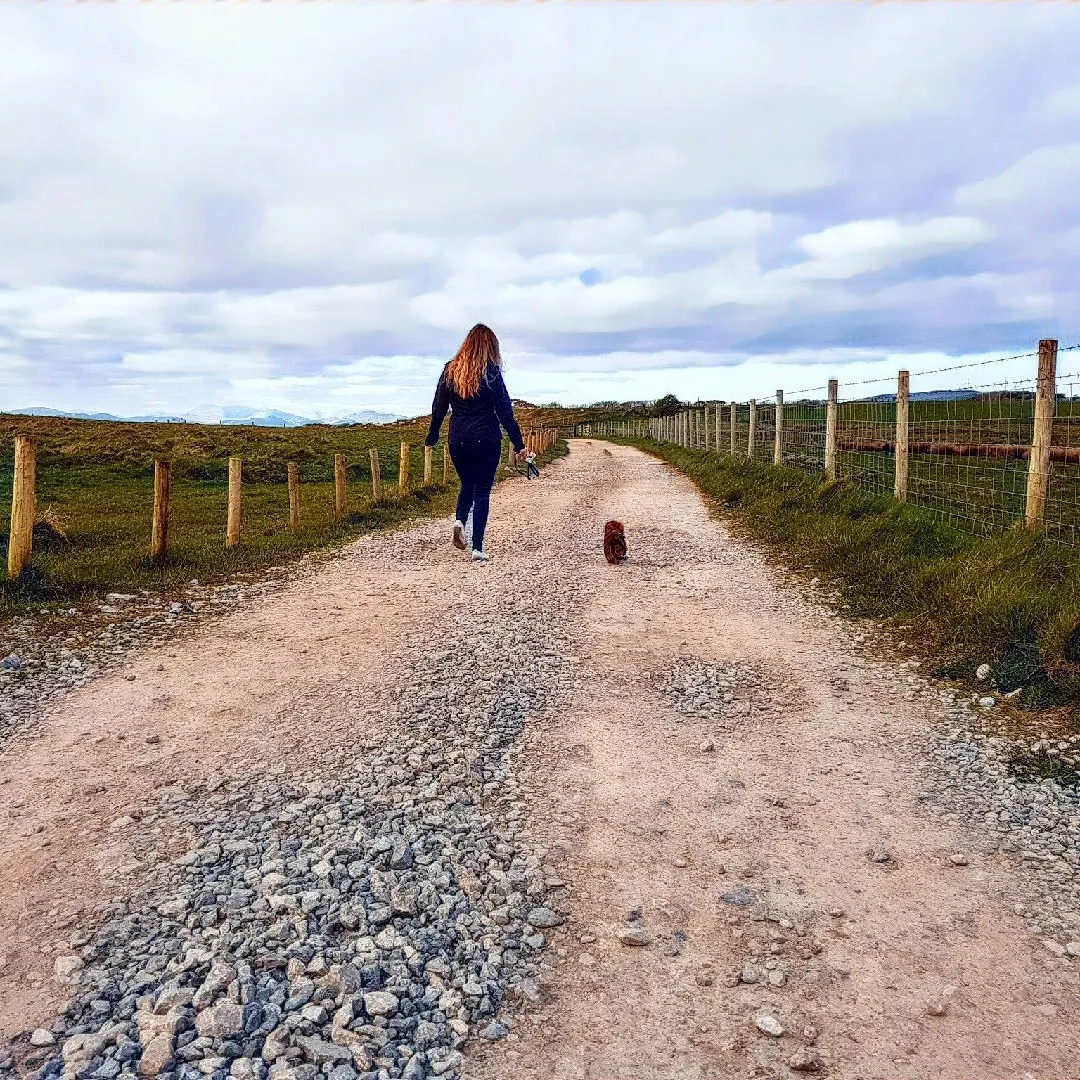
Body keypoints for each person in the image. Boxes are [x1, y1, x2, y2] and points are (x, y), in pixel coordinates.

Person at [425, 324, 528, 561]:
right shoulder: (491, 373)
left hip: (458, 439)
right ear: (491, 347)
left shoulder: (449, 371)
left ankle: (460, 521)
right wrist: (518, 443)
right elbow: (505, 413)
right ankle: (477, 547)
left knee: (467, 484)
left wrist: (432, 435)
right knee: (482, 491)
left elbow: (438, 407)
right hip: (487, 439)